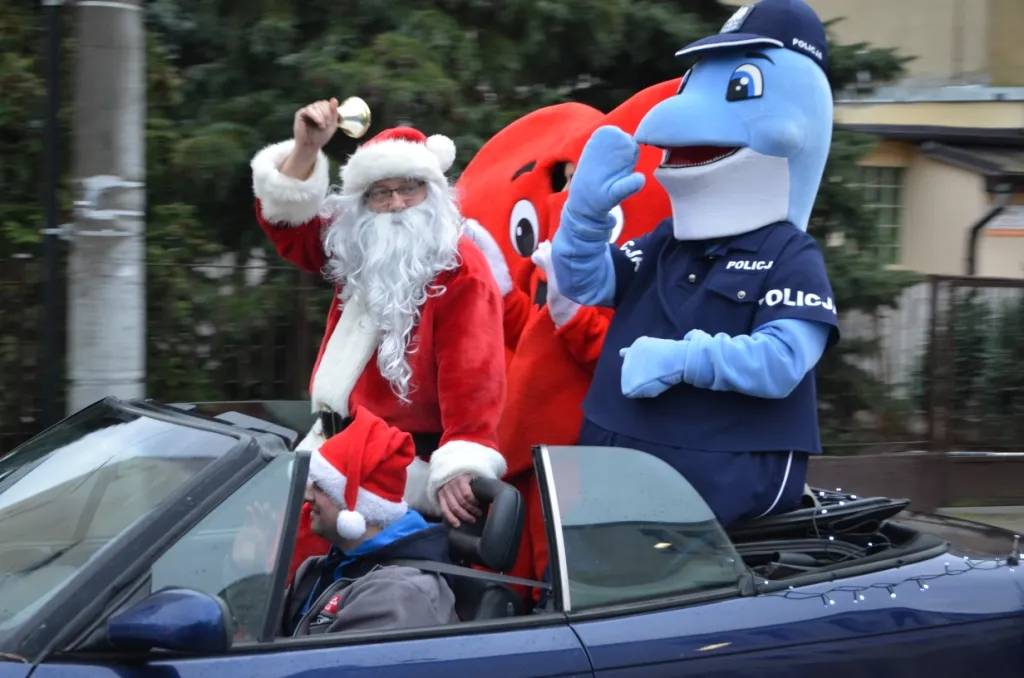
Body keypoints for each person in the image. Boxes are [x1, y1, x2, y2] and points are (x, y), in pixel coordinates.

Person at [550, 0, 840, 528]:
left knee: (659, 606)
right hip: (609, 468)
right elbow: (585, 283)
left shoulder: (788, 254)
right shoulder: (669, 242)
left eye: (737, 87)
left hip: (714, 489)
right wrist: (584, 216)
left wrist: (683, 360)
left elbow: (782, 362)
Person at [250, 99, 508, 578]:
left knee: (329, 591)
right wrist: (307, 149)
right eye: (380, 193)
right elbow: (291, 225)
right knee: (283, 577)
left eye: (408, 189)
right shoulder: (359, 244)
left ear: (431, 192)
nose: (394, 205)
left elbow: (476, 376)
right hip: (328, 450)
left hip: (390, 472)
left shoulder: (460, 270)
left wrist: (461, 462)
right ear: (363, 203)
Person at [457, 80, 677, 607]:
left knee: (556, 586)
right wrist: (508, 292)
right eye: (574, 180)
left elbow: (616, 356)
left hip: (576, 457)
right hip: (526, 451)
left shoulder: (631, 268)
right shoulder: (565, 257)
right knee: (511, 578)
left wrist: (573, 316)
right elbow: (532, 335)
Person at [278, 405, 459, 635]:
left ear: (358, 507)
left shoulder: (396, 593)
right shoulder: (317, 569)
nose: (307, 495)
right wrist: (247, 564)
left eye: (321, 486)